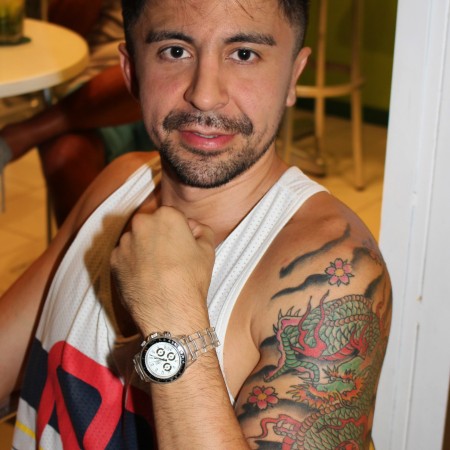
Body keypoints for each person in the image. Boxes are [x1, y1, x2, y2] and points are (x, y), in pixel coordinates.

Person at [0, 0, 392, 448]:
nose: (205, 95)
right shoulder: (116, 185)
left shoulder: (330, 278)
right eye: (175, 51)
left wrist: (174, 318)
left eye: (244, 54)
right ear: (131, 71)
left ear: (293, 76)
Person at [0, 0, 151, 226]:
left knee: (149, 66)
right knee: (64, 153)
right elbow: (60, 33)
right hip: (99, 78)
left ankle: (24, 134)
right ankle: (90, 249)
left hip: (174, 74)